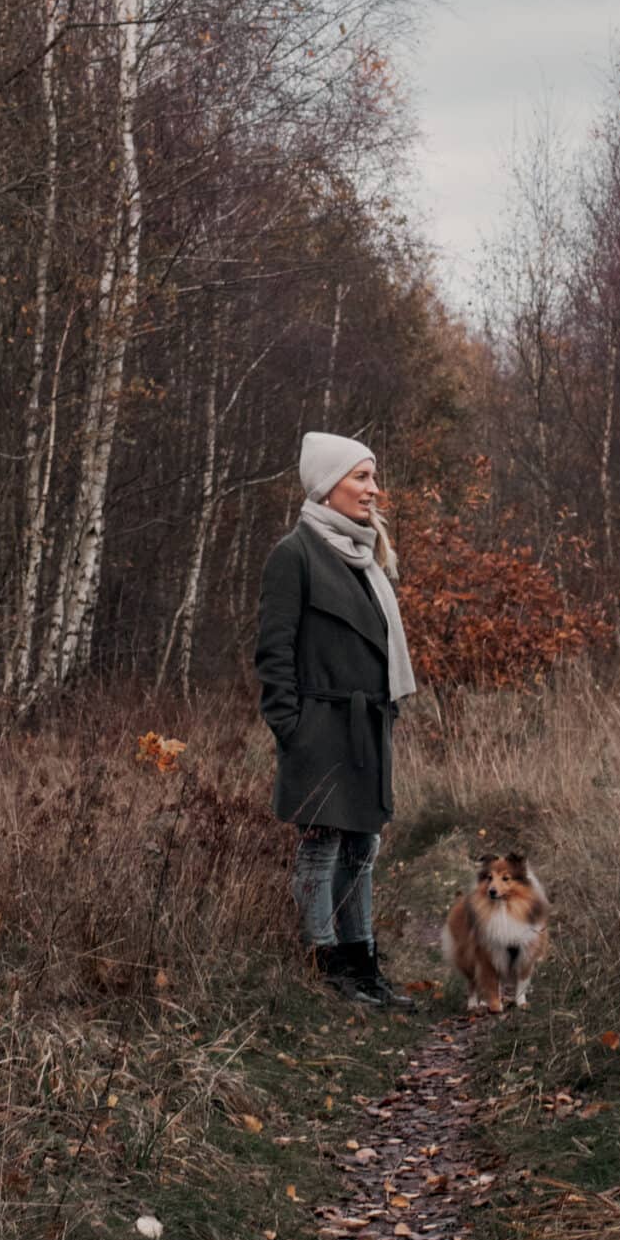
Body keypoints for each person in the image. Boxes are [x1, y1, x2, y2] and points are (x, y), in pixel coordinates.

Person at [255, 432, 416, 1008]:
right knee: (320, 847)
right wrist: (292, 729)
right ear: (328, 486)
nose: (374, 490)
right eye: (361, 478)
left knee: (362, 848)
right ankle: (324, 968)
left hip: (367, 726)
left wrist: (386, 715)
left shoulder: (364, 555)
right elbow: (273, 655)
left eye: (373, 477)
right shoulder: (294, 554)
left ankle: (362, 963)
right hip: (320, 725)